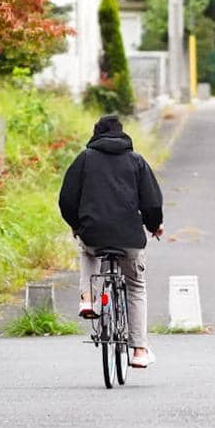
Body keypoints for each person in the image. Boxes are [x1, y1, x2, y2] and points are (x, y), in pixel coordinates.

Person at [58, 114, 163, 368]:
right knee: (135, 286)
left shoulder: (84, 159)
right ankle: (139, 351)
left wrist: (76, 226)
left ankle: (88, 299)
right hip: (129, 238)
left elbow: (67, 199)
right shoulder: (136, 161)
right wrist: (154, 226)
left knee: (88, 252)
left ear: (96, 134)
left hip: (93, 233)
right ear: (122, 133)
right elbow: (151, 202)